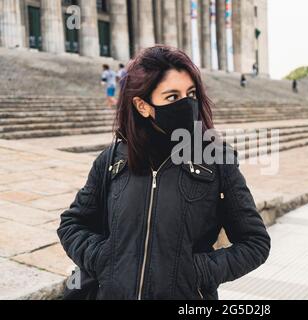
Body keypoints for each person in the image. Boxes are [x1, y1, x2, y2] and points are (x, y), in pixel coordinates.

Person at [57, 45, 271, 300]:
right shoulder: (111, 161)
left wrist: (197, 272)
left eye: (191, 94)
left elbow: (255, 242)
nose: (187, 104)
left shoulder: (216, 159)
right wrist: (104, 259)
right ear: (142, 106)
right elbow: (72, 224)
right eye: (172, 97)